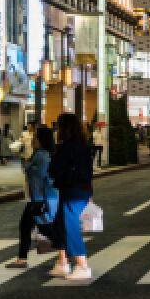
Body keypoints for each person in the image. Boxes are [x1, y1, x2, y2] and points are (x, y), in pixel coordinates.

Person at [48, 113, 94, 281]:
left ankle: (82, 265)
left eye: (58, 126)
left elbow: (55, 170)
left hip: (71, 189)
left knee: (69, 225)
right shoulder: (83, 145)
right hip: (80, 188)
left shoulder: (66, 147)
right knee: (60, 223)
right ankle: (62, 262)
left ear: (64, 128)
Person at [8, 126, 59, 269]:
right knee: (27, 225)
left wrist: (27, 166)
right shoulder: (43, 153)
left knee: (43, 228)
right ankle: (22, 259)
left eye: (36, 137)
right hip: (40, 197)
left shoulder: (42, 155)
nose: (33, 140)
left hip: (40, 198)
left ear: (41, 139)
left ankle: (67, 249)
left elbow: (40, 175)